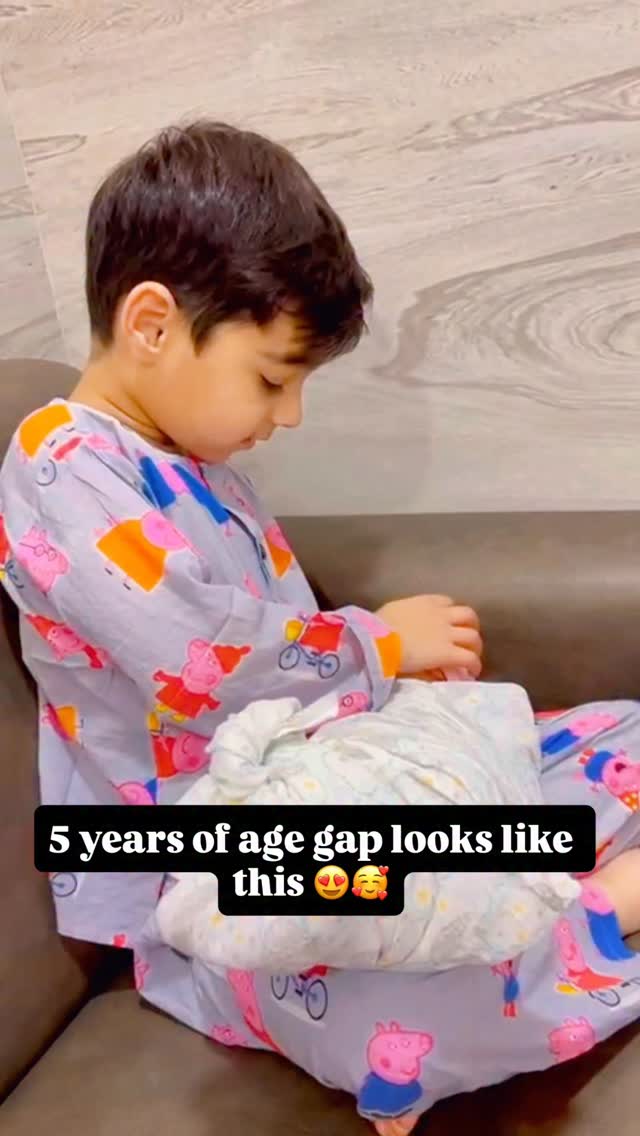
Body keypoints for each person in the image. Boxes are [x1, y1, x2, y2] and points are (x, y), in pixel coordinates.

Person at [0, 121, 637, 1136]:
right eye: (272, 378)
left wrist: (396, 702)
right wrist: (378, 644)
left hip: (341, 783)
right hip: (220, 859)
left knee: (621, 735)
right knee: (397, 1017)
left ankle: (515, 890)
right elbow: (203, 669)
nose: (288, 414)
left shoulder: (201, 471)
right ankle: (589, 912)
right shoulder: (62, 466)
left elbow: (286, 651)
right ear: (152, 323)